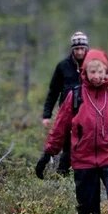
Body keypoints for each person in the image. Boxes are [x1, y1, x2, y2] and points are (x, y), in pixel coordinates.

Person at [39, 49, 108, 214]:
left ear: (106, 71)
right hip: (83, 161)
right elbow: (60, 127)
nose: (97, 76)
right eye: (92, 72)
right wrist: (49, 152)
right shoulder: (75, 96)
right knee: (87, 211)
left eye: (100, 71)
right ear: (85, 72)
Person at [40, 31, 89, 176]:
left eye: (82, 48)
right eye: (76, 49)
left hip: (88, 114)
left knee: (85, 146)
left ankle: (82, 175)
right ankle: (62, 175)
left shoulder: (93, 65)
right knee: (67, 146)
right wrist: (46, 115)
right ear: (72, 49)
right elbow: (53, 92)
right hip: (67, 114)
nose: (79, 52)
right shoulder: (63, 66)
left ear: (86, 48)